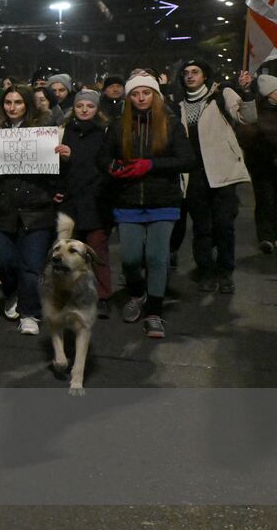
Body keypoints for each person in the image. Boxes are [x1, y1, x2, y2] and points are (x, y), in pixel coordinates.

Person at [109, 73, 195, 339]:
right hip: (128, 200)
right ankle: (137, 293)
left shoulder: (171, 123)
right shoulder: (118, 125)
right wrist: (112, 166)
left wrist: (152, 165)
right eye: (134, 94)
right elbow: (104, 156)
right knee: (130, 258)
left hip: (163, 201)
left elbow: (188, 160)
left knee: (157, 258)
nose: (140, 98)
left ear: (155, 95)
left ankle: (155, 312)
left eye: (146, 93)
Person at [0, 85, 59, 336]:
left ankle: (30, 313)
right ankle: (12, 292)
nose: (12, 107)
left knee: (31, 265)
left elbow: (56, 173)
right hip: (3, 206)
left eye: (18, 102)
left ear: (28, 105)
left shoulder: (43, 132)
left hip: (36, 207)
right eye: (8, 102)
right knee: (1, 258)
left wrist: (62, 158)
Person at [170, 60, 256, 294]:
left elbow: (247, 118)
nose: (189, 76)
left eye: (195, 72)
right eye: (186, 73)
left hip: (221, 171)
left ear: (205, 76)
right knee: (202, 227)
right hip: (193, 175)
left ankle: (225, 272)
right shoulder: (178, 104)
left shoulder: (221, 95)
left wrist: (246, 92)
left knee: (224, 226)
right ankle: (206, 271)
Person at [55, 89, 114, 312]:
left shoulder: (105, 132)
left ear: (97, 109)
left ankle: (103, 296)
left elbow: (103, 164)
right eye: (80, 106)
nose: (84, 110)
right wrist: (64, 162)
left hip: (97, 200)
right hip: (72, 200)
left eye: (89, 106)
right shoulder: (65, 131)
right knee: (70, 252)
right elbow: (56, 167)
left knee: (97, 250)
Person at [246, 74, 277, 253]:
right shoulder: (257, 110)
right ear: (269, 93)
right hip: (262, 163)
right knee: (265, 199)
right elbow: (249, 134)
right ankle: (266, 237)